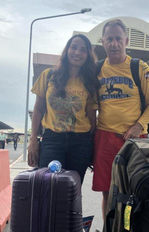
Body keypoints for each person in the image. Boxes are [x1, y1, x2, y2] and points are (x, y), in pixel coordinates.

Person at [93, 19, 149, 219]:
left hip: (134, 140)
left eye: (118, 39)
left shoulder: (139, 67)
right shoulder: (96, 69)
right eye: (110, 39)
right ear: (103, 42)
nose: (114, 44)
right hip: (104, 138)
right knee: (108, 192)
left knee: (135, 190)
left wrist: (138, 126)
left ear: (126, 41)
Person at [27, 34, 98, 184]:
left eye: (83, 50)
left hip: (80, 143)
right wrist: (33, 139)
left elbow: (92, 118)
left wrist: (90, 147)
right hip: (52, 140)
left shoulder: (90, 83)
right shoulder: (49, 76)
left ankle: (72, 209)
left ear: (88, 55)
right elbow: (38, 110)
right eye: (74, 47)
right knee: (48, 187)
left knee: (73, 190)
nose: (77, 53)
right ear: (67, 50)